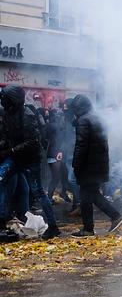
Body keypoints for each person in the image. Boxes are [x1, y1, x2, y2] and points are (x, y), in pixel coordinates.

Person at [0, 86, 60, 239]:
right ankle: (3, 220)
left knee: (38, 191)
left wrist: (10, 151)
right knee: (2, 179)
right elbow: (8, 136)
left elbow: (32, 141)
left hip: (30, 159)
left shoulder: (27, 115)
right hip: (15, 157)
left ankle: (53, 227)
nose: (2, 101)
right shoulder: (8, 113)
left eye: (5, 98)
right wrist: (4, 146)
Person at [70, 94, 122, 237]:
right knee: (89, 196)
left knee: (88, 195)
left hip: (88, 166)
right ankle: (93, 226)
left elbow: (80, 146)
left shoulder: (83, 120)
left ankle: (100, 223)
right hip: (98, 165)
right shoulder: (97, 118)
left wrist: (76, 164)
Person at [45, 109, 73, 203]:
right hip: (55, 154)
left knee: (64, 175)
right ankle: (49, 198)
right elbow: (59, 140)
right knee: (56, 177)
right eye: (60, 115)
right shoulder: (55, 126)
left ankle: (63, 194)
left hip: (55, 153)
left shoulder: (50, 125)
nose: (62, 117)